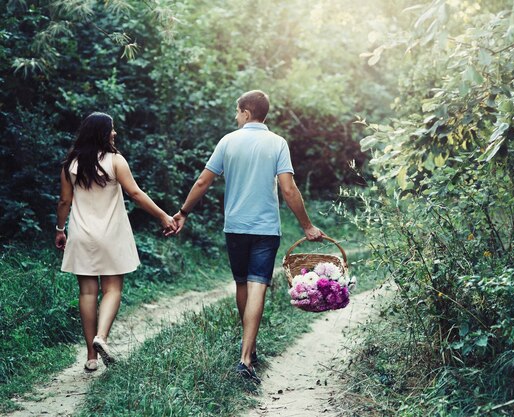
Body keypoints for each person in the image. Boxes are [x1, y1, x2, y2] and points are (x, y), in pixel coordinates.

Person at [170, 90, 324, 383]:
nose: (235, 116)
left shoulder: (228, 141)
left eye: (237, 111)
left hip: (235, 227)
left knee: (242, 283)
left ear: (246, 113)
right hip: (265, 229)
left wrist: (183, 212)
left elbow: (203, 180)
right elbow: (288, 189)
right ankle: (246, 356)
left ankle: (248, 350)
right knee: (258, 287)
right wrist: (306, 225)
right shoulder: (277, 143)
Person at [55, 112, 176, 372]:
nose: (115, 133)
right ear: (101, 133)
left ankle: (90, 357)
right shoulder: (115, 161)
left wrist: (59, 229)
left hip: (81, 234)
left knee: (87, 292)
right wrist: (163, 216)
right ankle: (102, 337)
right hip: (111, 234)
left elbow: (65, 202)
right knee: (112, 289)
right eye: (112, 129)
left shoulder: (69, 165)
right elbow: (134, 193)